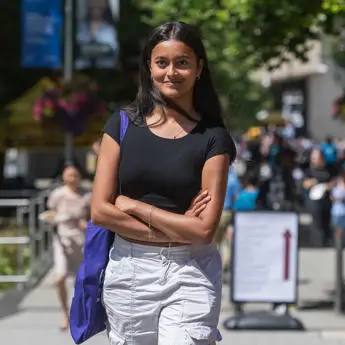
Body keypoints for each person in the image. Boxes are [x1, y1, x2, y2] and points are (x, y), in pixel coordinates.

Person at [91, 21, 236, 344]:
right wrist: (175, 225)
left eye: (182, 62)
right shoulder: (122, 125)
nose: (171, 72)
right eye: (162, 63)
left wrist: (134, 207)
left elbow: (202, 230)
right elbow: (100, 212)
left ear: (199, 68)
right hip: (130, 270)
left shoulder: (213, 137)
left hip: (191, 270)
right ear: (149, 67)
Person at [47, 165, 91, 331]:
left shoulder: (86, 195)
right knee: (60, 277)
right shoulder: (57, 194)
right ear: (64, 177)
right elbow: (50, 214)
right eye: (69, 175)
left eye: (75, 175)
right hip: (62, 239)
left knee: (81, 280)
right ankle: (65, 312)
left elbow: (92, 216)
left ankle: (78, 312)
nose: (73, 178)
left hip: (80, 239)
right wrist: (53, 219)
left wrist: (86, 223)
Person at [303, 149, 334, 246]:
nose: (315, 160)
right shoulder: (308, 171)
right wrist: (314, 182)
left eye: (318, 158)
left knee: (327, 223)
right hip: (314, 203)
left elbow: (334, 182)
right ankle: (317, 245)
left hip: (328, 201)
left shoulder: (330, 170)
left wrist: (328, 185)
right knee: (317, 225)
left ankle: (327, 242)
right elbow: (305, 183)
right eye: (314, 158)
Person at [76, 0, 118, 69]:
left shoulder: (111, 30)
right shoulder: (80, 28)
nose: (95, 4)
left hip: (106, 70)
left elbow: (113, 52)